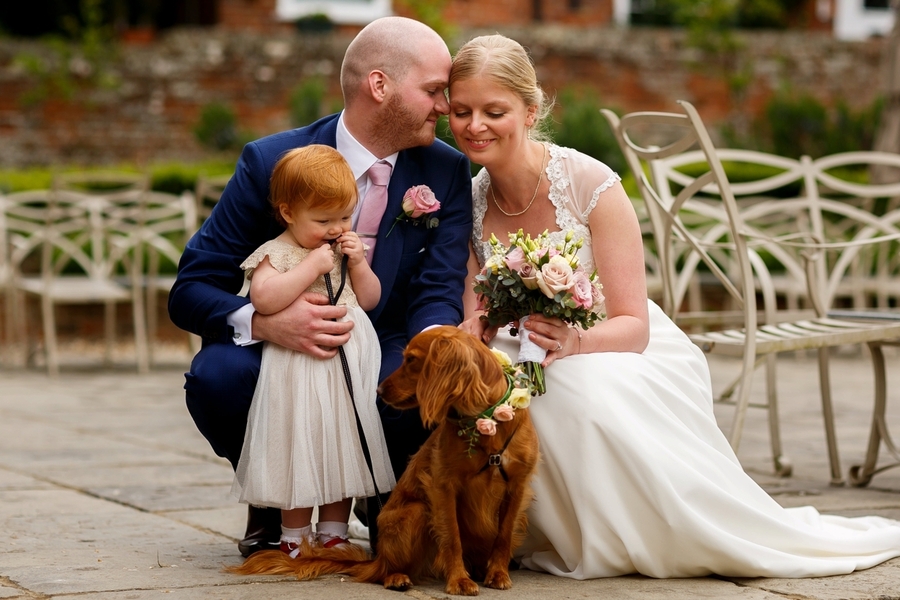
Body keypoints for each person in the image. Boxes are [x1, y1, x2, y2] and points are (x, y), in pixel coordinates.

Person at [449, 33, 900, 579]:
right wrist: (477, 324)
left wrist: (573, 341)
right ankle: (517, 529)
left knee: (574, 395)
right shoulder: (469, 199)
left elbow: (633, 325)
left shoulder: (590, 184)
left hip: (611, 342)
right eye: (461, 111)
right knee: (503, 393)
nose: (475, 126)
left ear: (530, 108)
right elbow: (475, 306)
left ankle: (647, 533)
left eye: (493, 111)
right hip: (520, 348)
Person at [168, 16, 473, 557]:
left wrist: (433, 351)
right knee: (218, 377)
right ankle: (272, 493)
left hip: (384, 339)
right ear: (379, 86)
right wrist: (267, 322)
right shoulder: (272, 162)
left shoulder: (446, 170)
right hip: (279, 351)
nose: (446, 106)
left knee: (419, 385)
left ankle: (381, 494)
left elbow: (438, 286)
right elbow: (192, 288)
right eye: (433, 91)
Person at [230, 145, 395, 556]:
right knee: (299, 444)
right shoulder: (279, 252)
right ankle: (294, 535)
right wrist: (310, 267)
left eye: (344, 217)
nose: (336, 228)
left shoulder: (340, 248)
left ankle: (335, 531)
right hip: (299, 368)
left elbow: (370, 299)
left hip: (347, 365)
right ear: (288, 213)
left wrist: (357, 264)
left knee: (342, 444)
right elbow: (264, 298)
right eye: (323, 220)